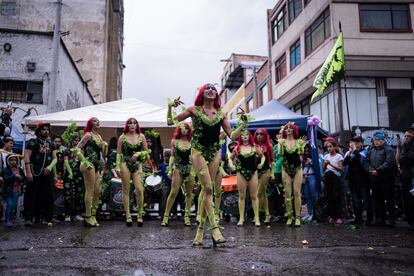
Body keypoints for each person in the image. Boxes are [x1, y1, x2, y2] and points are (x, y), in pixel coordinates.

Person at [167, 83, 244, 246]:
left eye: (214, 89)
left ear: (217, 95)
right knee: (208, 188)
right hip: (198, 151)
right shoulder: (194, 110)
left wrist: (244, 124)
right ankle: (215, 228)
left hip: (214, 152)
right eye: (207, 88)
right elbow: (170, 121)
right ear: (202, 93)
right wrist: (170, 106)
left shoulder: (221, 114)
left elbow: (232, 135)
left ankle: (200, 232)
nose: (211, 90)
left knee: (205, 192)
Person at [115, 118, 151, 227]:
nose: (132, 125)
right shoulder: (122, 137)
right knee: (126, 190)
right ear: (127, 125)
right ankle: (128, 216)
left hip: (137, 165)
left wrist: (138, 154)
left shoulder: (141, 136)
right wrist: (117, 166)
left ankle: (140, 215)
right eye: (130, 123)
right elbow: (118, 153)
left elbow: (147, 151)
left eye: (134, 123)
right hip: (125, 164)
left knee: (139, 190)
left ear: (137, 125)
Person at [75, 117, 108, 227]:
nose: (98, 122)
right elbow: (77, 149)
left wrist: (105, 146)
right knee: (90, 190)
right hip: (88, 163)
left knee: (98, 191)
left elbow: (103, 155)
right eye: (94, 121)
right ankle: (88, 217)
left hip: (97, 164)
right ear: (90, 124)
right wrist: (84, 160)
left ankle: (93, 215)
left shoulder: (98, 136)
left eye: (98, 120)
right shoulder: (88, 135)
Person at [228, 130, 264, 226]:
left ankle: (256, 218)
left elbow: (262, 156)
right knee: (241, 196)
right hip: (241, 172)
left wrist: (261, 163)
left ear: (249, 136)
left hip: (253, 172)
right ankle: (241, 218)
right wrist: (231, 165)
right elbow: (230, 158)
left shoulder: (254, 147)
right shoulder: (237, 148)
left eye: (246, 135)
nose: (245, 136)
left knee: (254, 196)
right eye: (243, 135)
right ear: (240, 137)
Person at [24, 122, 57, 226]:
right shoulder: (33, 142)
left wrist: (50, 167)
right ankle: (29, 218)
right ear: (38, 131)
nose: (46, 131)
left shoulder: (51, 144)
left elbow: (55, 158)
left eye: (47, 129)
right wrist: (28, 172)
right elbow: (26, 156)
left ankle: (48, 217)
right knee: (32, 195)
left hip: (47, 172)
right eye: (43, 129)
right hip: (35, 172)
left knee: (49, 195)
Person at [161, 122, 194, 226]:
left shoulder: (192, 141)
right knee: (173, 192)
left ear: (189, 130)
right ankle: (166, 216)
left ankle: (187, 217)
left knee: (189, 194)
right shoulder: (174, 141)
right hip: (178, 168)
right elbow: (172, 156)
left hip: (189, 168)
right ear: (179, 130)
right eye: (182, 128)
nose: (184, 130)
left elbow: (195, 156)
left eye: (186, 128)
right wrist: (170, 169)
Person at [366, 132, 397, 226]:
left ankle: (391, 220)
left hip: (386, 178)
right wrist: (370, 169)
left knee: (389, 199)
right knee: (377, 199)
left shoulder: (389, 150)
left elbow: (389, 163)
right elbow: (367, 161)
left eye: (378, 140)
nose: (376, 142)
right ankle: (380, 219)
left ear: (383, 140)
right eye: (375, 140)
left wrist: (378, 171)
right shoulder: (371, 149)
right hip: (375, 179)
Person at [278, 122, 306, 227]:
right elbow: (280, 153)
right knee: (288, 193)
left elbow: (301, 153)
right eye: (286, 128)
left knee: (297, 192)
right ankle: (290, 217)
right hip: (285, 168)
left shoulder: (298, 141)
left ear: (294, 130)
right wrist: (280, 143)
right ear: (284, 131)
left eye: (290, 128)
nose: (288, 129)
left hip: (297, 168)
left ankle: (298, 217)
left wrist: (302, 145)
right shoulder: (282, 141)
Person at [344, 136, 372, 225]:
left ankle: (369, 219)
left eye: (356, 142)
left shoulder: (365, 151)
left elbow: (358, 160)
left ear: (361, 143)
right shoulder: (350, 152)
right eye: (352, 142)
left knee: (366, 200)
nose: (354, 144)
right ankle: (358, 219)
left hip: (363, 180)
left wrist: (355, 150)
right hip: (352, 180)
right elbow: (345, 162)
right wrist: (350, 152)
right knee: (356, 200)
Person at [254, 128, 275, 224]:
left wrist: (273, 173)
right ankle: (267, 215)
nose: (259, 136)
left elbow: (272, 161)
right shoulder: (252, 146)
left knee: (258, 193)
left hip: (266, 171)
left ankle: (257, 215)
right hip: (255, 172)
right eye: (257, 134)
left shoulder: (269, 146)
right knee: (263, 194)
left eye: (261, 134)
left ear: (265, 135)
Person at [323, 140, 344, 224]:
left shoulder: (339, 156)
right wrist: (325, 164)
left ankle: (339, 217)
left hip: (336, 178)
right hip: (327, 177)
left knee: (337, 196)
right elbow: (323, 169)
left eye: (331, 146)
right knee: (329, 197)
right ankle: (331, 216)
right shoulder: (326, 156)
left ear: (335, 147)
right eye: (328, 147)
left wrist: (330, 164)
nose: (329, 148)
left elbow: (340, 169)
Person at [396, 130, 414, 228]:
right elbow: (398, 160)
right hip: (405, 177)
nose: (406, 138)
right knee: (407, 199)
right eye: (405, 136)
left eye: (408, 136)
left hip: (411, 176)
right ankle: (410, 220)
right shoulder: (405, 146)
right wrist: (398, 147)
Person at [65, 133, 84, 222]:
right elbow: (66, 162)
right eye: (75, 140)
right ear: (71, 141)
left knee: (79, 194)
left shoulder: (81, 151)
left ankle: (77, 214)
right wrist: (70, 172)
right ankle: (68, 214)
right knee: (69, 194)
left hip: (79, 174)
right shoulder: (67, 151)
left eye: (78, 140)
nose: (76, 142)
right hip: (70, 174)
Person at [52, 136, 71, 222]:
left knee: (60, 195)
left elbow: (66, 162)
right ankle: (53, 214)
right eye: (55, 141)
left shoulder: (64, 151)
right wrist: (54, 176)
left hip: (61, 177)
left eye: (59, 141)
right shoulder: (51, 151)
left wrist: (70, 172)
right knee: (54, 195)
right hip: (52, 177)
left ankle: (58, 214)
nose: (57, 143)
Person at [3, 154, 24, 227]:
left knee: (13, 205)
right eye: (11, 160)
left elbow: (23, 178)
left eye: (15, 160)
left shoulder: (20, 169)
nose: (13, 162)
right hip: (8, 190)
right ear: (8, 161)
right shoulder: (6, 169)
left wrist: (21, 178)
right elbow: (6, 179)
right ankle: (7, 220)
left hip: (16, 190)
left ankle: (10, 219)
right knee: (10, 204)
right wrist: (14, 175)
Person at [302, 144, 318, 223]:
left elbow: (318, 167)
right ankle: (309, 213)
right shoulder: (302, 158)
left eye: (308, 151)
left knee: (313, 195)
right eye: (305, 151)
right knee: (307, 196)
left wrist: (311, 163)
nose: (306, 152)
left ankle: (314, 214)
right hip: (304, 177)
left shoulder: (314, 157)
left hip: (312, 176)